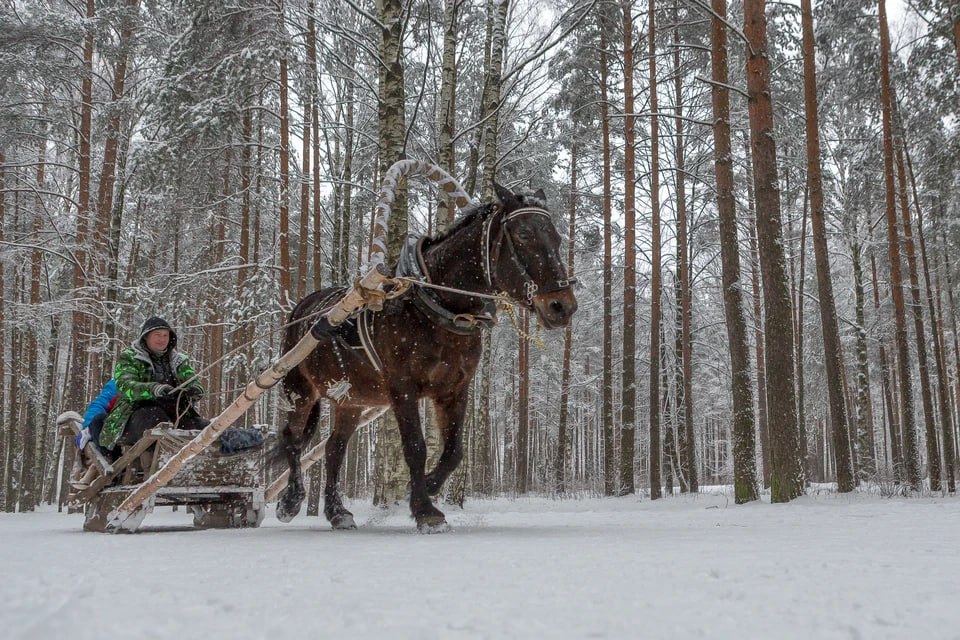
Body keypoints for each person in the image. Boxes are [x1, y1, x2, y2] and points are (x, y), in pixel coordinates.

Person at [99, 316, 209, 453]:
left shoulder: (178, 361)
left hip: (176, 415)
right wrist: (153, 389)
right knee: (155, 420)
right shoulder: (130, 358)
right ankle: (155, 466)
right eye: (157, 335)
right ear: (146, 337)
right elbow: (125, 386)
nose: (162, 339)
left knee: (207, 429)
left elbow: (193, 381)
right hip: (132, 417)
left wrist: (195, 390)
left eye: (165, 335)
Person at [70, 379, 119, 490]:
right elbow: (100, 405)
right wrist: (90, 425)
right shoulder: (122, 380)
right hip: (116, 432)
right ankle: (101, 464)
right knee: (99, 421)